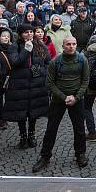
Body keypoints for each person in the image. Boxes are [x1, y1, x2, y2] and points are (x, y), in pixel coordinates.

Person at [32, 36, 89, 172]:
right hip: (58, 100)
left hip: (77, 100)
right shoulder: (55, 62)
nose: (71, 46)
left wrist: (76, 97)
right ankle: (45, 156)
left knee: (80, 129)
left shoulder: (82, 60)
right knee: (51, 129)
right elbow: (50, 83)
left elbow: (85, 81)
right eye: (68, 44)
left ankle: (80, 154)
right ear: (63, 46)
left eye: (74, 44)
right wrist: (64, 97)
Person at [4, 24, 51, 149]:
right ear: (20, 34)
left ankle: (31, 134)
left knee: (34, 110)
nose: (29, 34)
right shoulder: (14, 46)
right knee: (21, 110)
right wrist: (26, 50)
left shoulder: (40, 45)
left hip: (36, 83)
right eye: (26, 32)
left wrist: (42, 73)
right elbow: (15, 62)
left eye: (31, 32)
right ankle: (23, 135)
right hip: (20, 84)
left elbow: (47, 62)